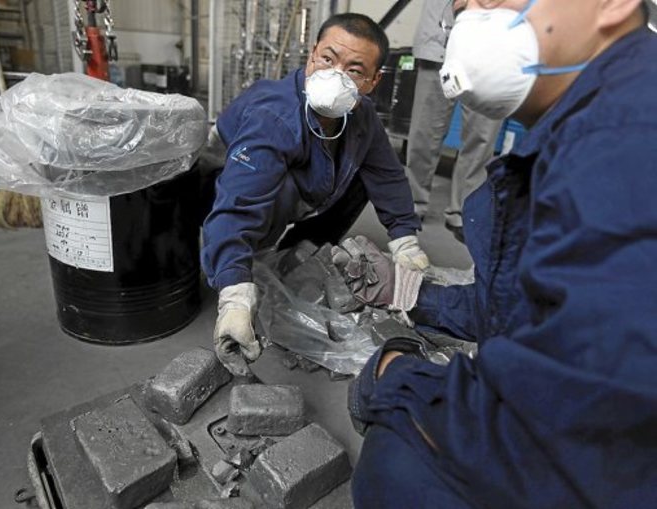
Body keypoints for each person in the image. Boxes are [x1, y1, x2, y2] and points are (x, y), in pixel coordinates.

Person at [343, 0, 657, 507]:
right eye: (461, 7)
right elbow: (529, 307)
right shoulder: (589, 124)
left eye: (489, 0)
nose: (470, 21)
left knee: (399, 458)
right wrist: (408, 292)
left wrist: (396, 377)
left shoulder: (628, 143)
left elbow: (563, 424)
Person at [200, 13, 429, 375]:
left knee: (361, 173)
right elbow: (238, 204)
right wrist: (235, 297)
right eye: (327, 59)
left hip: (308, 181)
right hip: (221, 183)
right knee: (278, 188)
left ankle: (300, 252)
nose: (335, 75)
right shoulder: (274, 116)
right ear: (311, 56)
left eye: (354, 70)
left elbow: (387, 176)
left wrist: (406, 243)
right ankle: (250, 257)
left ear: (373, 81)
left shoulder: (363, 116)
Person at [406, 0, 502, 241]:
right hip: (440, 42)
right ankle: (412, 203)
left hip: (493, 50)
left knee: (482, 137)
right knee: (425, 132)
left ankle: (464, 210)